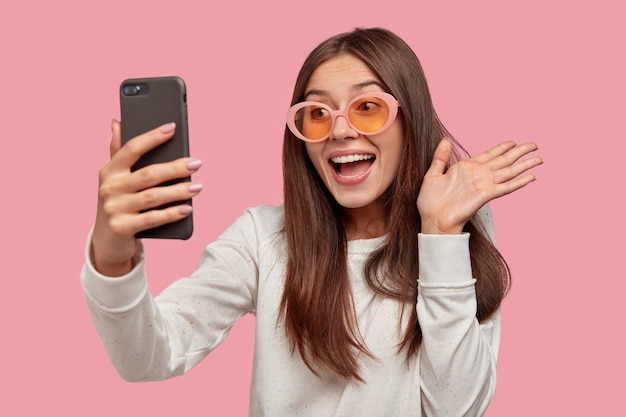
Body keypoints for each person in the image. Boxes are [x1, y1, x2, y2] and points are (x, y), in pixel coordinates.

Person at [81, 27, 542, 416]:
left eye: (367, 107)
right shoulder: (263, 239)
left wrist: (440, 235)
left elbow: (457, 406)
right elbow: (146, 357)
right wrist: (113, 254)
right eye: (317, 114)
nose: (340, 130)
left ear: (410, 119)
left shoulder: (452, 227)